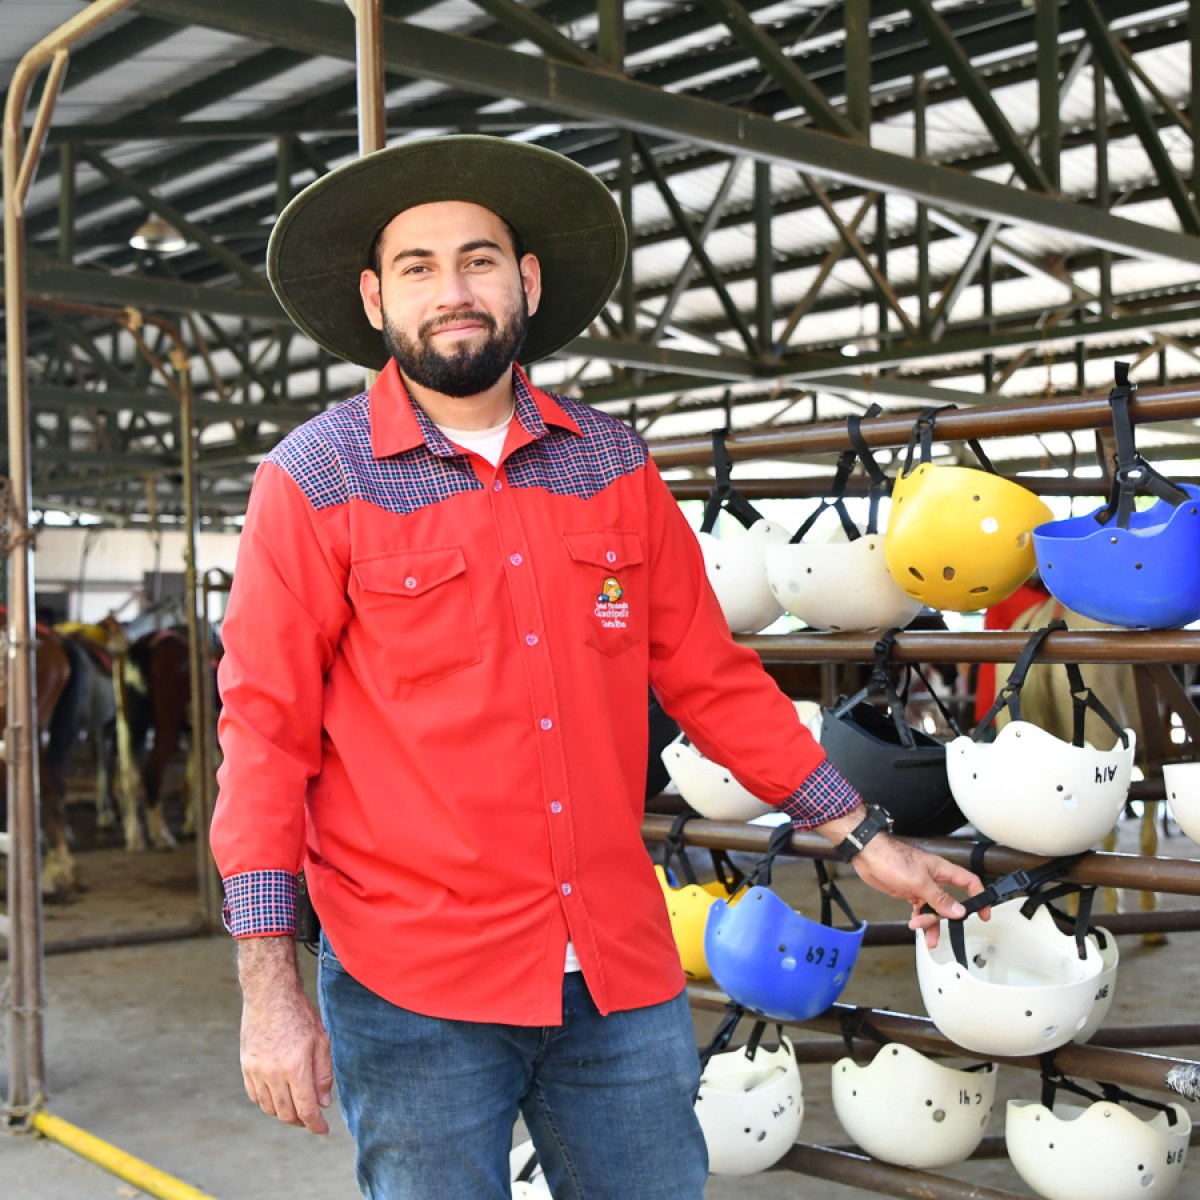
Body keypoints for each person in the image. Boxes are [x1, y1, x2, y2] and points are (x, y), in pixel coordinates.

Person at [211, 135, 983, 1200]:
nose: (454, 291)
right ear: (375, 299)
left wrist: (862, 831)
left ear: (525, 282)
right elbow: (265, 739)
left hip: (613, 967)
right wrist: (268, 987)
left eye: (479, 260)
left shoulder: (612, 465)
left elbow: (709, 679)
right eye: (418, 268)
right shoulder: (314, 482)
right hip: (413, 983)